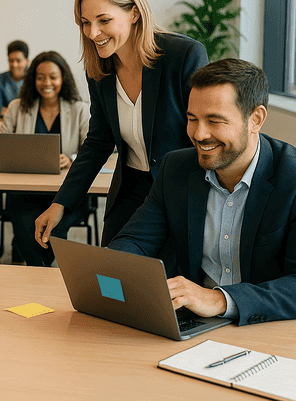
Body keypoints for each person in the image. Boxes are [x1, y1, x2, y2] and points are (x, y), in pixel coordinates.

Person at [108, 59, 296, 325]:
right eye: (192, 119)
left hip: (267, 328)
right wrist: (113, 275)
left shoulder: (292, 177)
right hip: (191, 325)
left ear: (256, 119)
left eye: (214, 121)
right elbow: (135, 240)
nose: (199, 134)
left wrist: (218, 299)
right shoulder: (176, 168)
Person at [35, 0, 208, 250]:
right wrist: (60, 202)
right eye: (85, 23)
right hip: (131, 189)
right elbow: (97, 142)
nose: (93, 33)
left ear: (134, 13)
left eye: (104, 20)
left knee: (164, 285)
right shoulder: (99, 70)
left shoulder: (183, 55)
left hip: (181, 190)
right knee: (112, 280)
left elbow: (203, 133)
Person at [0, 51, 89, 266]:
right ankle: (39, 271)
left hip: (65, 193)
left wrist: (72, 158)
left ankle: (36, 271)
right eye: (40, 77)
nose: (47, 82)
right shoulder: (18, 107)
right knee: (26, 229)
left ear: (63, 78)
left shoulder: (80, 109)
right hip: (25, 190)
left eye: (53, 76)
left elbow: (95, 150)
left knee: (53, 231)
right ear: (32, 79)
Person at [0, 40, 30, 108]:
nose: (14, 65)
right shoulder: (1, 78)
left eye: (18, 61)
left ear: (27, 62)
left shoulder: (33, 78)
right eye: (11, 61)